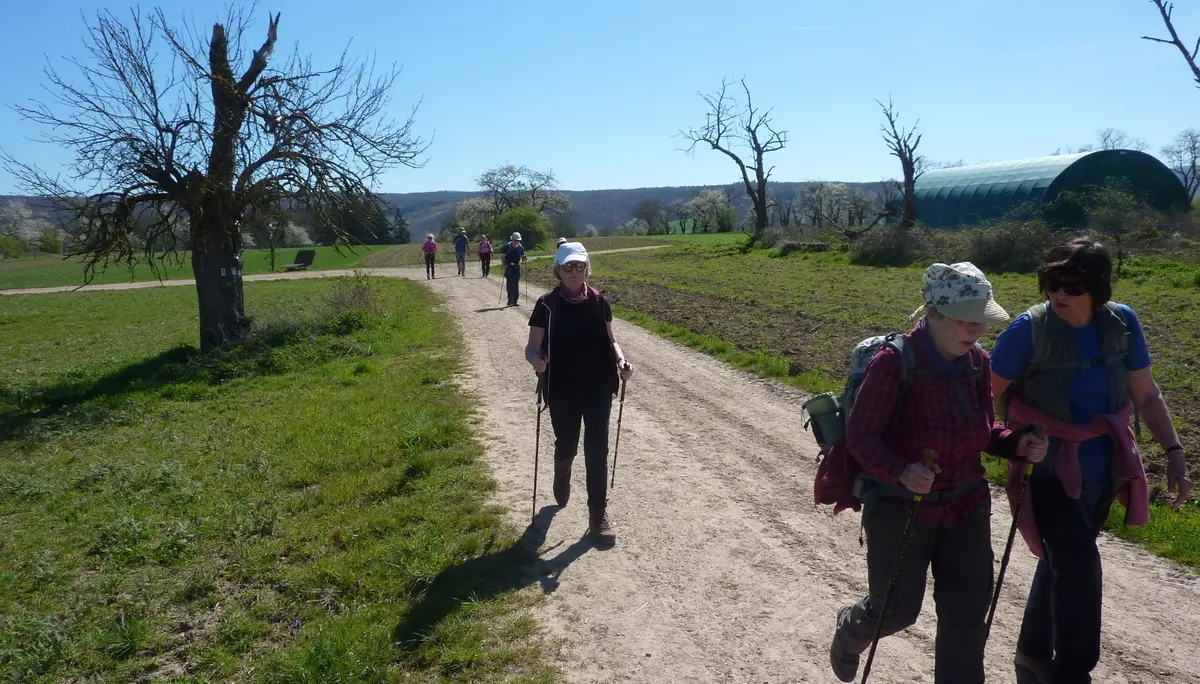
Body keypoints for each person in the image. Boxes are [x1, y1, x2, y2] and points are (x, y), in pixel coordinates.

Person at [829, 262, 1048, 684]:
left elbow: (982, 430)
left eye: (981, 320)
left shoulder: (977, 363)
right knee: (895, 609)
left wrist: (1016, 443)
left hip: (966, 504)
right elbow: (861, 436)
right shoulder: (894, 362)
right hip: (901, 506)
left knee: (966, 618)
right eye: (967, 321)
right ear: (934, 314)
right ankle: (851, 630)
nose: (977, 330)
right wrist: (902, 471)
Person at [990, 236, 1192, 684]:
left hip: (1104, 467)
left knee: (1063, 560)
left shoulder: (1121, 324)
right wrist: (1000, 442)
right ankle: (1073, 672)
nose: (1059, 294)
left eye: (1072, 286)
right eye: (1052, 283)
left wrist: (1174, 454)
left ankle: (1031, 652)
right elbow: (982, 396)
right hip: (1046, 469)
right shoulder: (1029, 330)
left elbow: (1146, 394)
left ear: (1098, 289)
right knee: (1080, 566)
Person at [526, 242, 634, 545]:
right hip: (561, 386)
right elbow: (532, 347)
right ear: (558, 270)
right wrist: (537, 360)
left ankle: (598, 515)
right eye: (568, 266)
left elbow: (611, 340)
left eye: (580, 265)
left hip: (599, 384)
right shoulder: (547, 305)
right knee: (568, 445)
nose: (574, 271)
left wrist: (621, 360)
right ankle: (562, 472)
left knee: (597, 448)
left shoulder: (600, 301)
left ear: (587, 268)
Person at [500, 232, 526, 306]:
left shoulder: (521, 247)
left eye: (518, 240)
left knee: (516, 284)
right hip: (509, 267)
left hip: (517, 266)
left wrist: (524, 258)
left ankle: (515, 300)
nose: (516, 242)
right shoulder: (507, 246)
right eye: (515, 240)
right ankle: (510, 299)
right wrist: (504, 264)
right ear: (512, 240)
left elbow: (522, 256)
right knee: (509, 283)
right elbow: (503, 256)